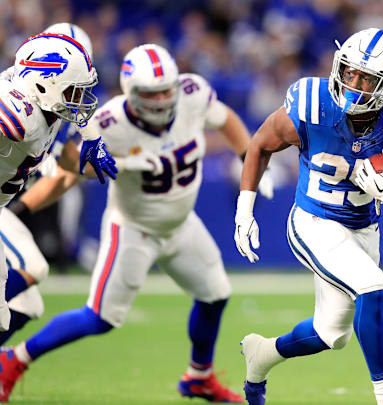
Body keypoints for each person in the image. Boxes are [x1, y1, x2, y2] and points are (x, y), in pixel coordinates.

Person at [0, 43, 259, 403]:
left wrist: (249, 157)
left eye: (167, 88)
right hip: (133, 228)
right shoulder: (108, 123)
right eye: (153, 93)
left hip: (182, 224)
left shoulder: (192, 92)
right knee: (100, 317)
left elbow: (226, 119)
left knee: (215, 296)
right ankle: (14, 359)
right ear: (132, 92)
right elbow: (66, 175)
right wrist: (20, 209)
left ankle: (199, 377)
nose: (164, 99)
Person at [234, 28, 383, 405]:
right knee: (371, 285)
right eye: (349, 72)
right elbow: (260, 143)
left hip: (362, 226)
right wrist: (245, 210)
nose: (353, 83)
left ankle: (262, 354)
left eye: (367, 78)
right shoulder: (311, 102)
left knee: (331, 334)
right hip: (313, 220)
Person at [0, 31, 115, 334]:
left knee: (13, 312)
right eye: (73, 91)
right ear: (44, 82)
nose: (80, 101)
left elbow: (74, 116)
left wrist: (93, 139)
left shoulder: (46, 101)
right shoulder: (18, 114)